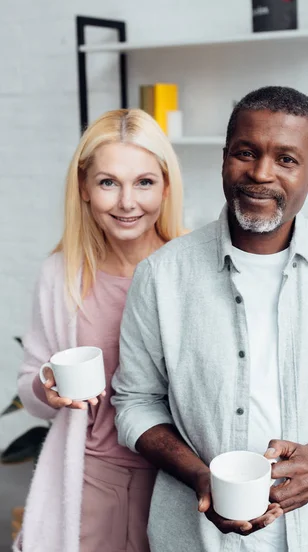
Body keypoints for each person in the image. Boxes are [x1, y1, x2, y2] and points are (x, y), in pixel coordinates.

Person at [112, 86, 308, 552]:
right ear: (225, 158)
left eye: (287, 159)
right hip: (193, 537)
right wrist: (200, 476)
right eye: (246, 152)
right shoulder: (162, 275)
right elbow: (135, 402)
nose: (261, 173)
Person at [15, 108, 185, 552]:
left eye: (144, 182)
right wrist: (46, 388)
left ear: (166, 186)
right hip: (90, 477)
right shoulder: (62, 275)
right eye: (108, 182)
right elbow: (33, 383)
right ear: (84, 189)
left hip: (178, 482)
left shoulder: (195, 268)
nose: (127, 202)